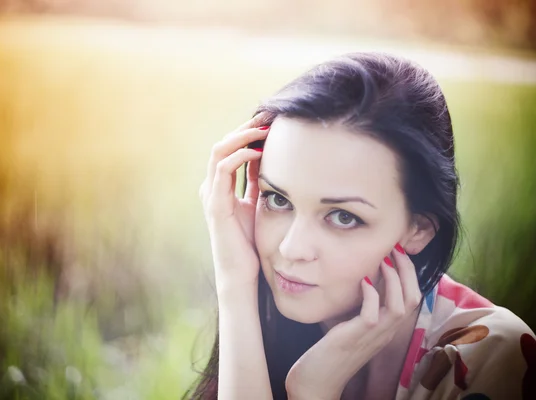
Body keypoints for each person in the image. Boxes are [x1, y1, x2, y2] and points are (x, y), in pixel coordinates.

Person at [188, 52, 535, 400]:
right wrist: (235, 284)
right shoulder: (268, 322)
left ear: (418, 229)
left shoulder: (490, 358)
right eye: (278, 199)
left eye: (343, 217)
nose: (291, 249)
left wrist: (311, 392)